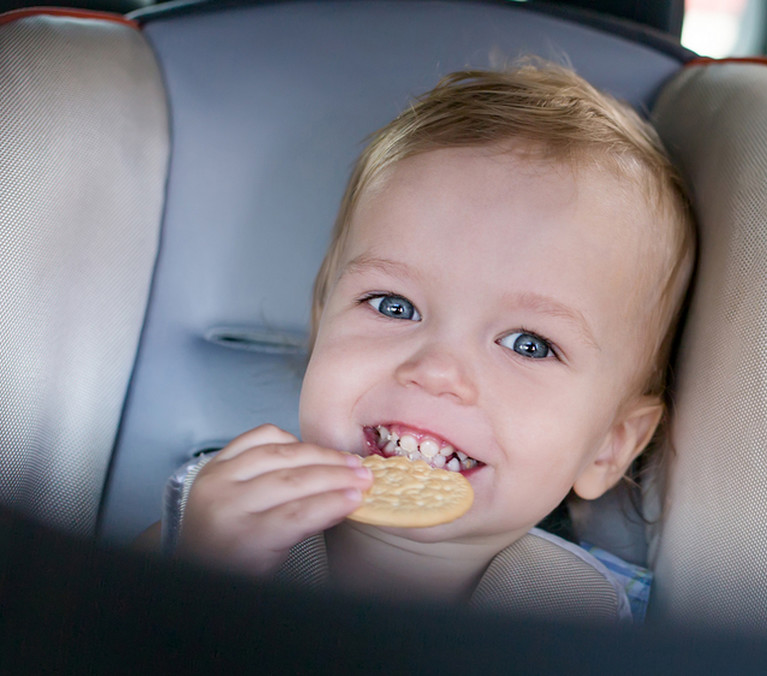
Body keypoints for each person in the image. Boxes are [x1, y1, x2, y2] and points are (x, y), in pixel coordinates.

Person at [149, 62, 695, 621]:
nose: (436, 370)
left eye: (528, 344)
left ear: (610, 444)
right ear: (321, 326)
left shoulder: (614, 627)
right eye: (394, 306)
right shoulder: (202, 535)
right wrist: (191, 586)